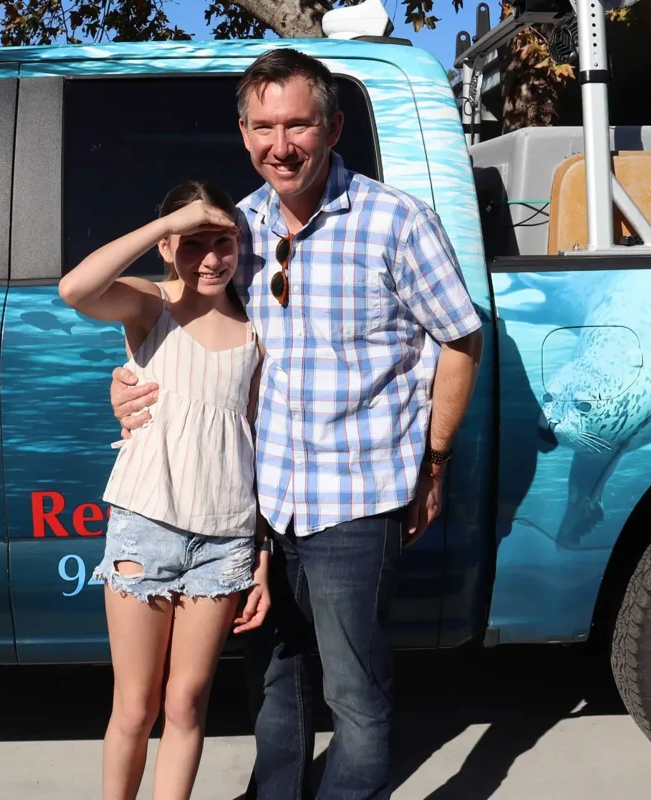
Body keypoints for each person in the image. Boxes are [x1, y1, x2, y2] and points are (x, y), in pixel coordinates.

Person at [109, 49, 484, 800]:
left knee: (354, 696)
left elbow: (460, 337)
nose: (281, 144)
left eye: (299, 125)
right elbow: (177, 332)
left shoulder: (396, 220)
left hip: (357, 500)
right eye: (264, 126)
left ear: (333, 126)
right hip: (260, 507)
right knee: (277, 690)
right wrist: (128, 384)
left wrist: (433, 462)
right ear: (245, 134)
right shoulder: (233, 230)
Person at [58, 180, 271, 800]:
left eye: (223, 241)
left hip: (226, 536)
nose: (210, 257)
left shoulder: (259, 325)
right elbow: (76, 289)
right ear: (167, 246)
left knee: (186, 701)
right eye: (193, 243)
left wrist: (258, 552)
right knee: (135, 704)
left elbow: (257, 438)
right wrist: (168, 222)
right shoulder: (152, 305)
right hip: (146, 522)